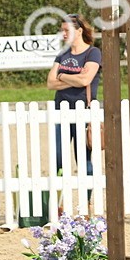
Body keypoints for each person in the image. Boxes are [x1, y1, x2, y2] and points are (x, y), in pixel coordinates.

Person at [46, 14, 102, 179]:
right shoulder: (62, 54)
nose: (63, 34)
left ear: (78, 31)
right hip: (60, 111)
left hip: (83, 112)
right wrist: (75, 79)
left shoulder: (93, 53)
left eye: (66, 30)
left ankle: (87, 201)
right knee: (58, 158)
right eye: (62, 30)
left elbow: (86, 80)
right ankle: (60, 201)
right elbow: (50, 83)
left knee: (84, 160)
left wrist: (62, 76)